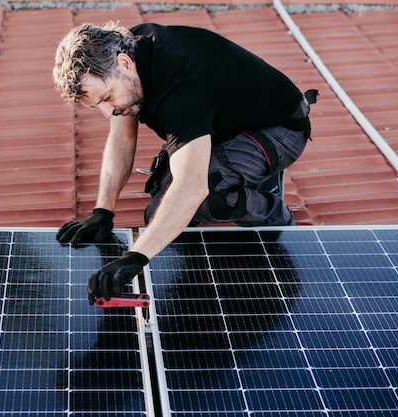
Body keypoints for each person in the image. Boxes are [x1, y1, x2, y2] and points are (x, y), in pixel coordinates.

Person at [52, 21, 317, 304]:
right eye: (98, 106)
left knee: (206, 199)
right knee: (158, 214)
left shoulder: (180, 84)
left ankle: (272, 208)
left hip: (277, 129)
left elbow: (191, 189)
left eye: (107, 98)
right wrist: (103, 210)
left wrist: (135, 257)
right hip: (221, 128)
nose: (108, 112)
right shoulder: (123, 53)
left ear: (125, 63)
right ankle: (241, 171)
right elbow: (122, 141)